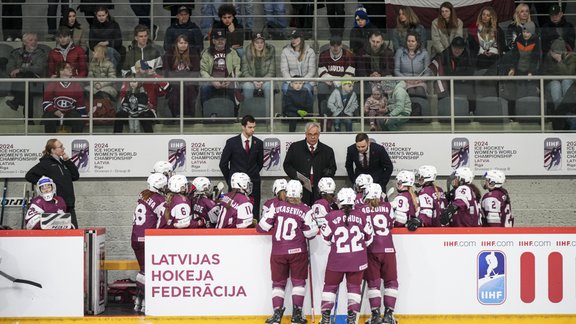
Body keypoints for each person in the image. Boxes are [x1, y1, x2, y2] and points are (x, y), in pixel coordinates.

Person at [257, 180, 318, 324]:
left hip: (278, 252)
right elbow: (310, 234)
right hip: (298, 251)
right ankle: (297, 316)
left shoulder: (276, 206)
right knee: (298, 283)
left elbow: (262, 227)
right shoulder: (305, 209)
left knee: (278, 284)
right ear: (301, 194)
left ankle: (277, 315)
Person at [318, 187, 374, 324]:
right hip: (358, 259)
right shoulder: (362, 215)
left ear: (340, 201)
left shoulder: (331, 216)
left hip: (337, 260)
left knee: (330, 287)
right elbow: (369, 239)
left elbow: (325, 239)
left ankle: (325, 318)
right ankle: (352, 319)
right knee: (354, 288)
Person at [358, 183, 398, 324]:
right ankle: (388, 315)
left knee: (373, 283)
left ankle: (375, 316)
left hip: (371, 249)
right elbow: (391, 224)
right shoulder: (387, 207)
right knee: (391, 282)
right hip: (388, 249)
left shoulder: (360, 209)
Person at [131, 173, 167, 313]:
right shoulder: (159, 199)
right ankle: (146, 300)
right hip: (147, 238)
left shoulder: (142, 194)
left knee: (143, 269)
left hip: (135, 236)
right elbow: (163, 220)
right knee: (148, 271)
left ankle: (138, 300)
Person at [26, 138, 80, 229]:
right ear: (53, 150)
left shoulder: (63, 162)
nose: (63, 148)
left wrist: (67, 161)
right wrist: (45, 184)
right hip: (56, 205)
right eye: (60, 147)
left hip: (69, 204)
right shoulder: (46, 163)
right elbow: (29, 176)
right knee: (58, 235)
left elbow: (75, 176)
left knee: (74, 232)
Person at [219, 115, 264, 220]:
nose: (253, 130)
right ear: (243, 127)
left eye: (254, 127)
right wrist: (231, 180)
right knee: (235, 212)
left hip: (254, 184)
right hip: (236, 186)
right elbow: (223, 164)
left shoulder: (259, 143)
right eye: (250, 127)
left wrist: (253, 174)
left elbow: (260, 163)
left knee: (254, 212)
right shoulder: (231, 143)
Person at [283, 122, 337, 206]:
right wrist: (297, 176)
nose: (312, 137)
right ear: (305, 134)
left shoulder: (327, 150)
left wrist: (327, 173)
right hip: (300, 190)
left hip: (320, 192)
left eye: (315, 134)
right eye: (310, 134)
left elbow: (333, 168)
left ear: (319, 134)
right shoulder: (295, 147)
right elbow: (287, 165)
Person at [115, 62, 170, 133]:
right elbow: (122, 97)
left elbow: (167, 86)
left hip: (147, 110)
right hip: (130, 110)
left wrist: (155, 75)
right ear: (136, 69)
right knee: (119, 115)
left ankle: (149, 139)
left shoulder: (152, 80)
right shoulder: (129, 80)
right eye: (143, 69)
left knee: (144, 115)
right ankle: (115, 138)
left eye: (146, 69)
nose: (145, 71)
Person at [5, 32, 48, 120]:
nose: (34, 42)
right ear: (24, 42)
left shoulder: (41, 53)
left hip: (36, 83)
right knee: (27, 88)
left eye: (36, 40)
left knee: (29, 78)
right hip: (18, 83)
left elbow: (39, 69)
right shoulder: (15, 53)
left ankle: (16, 102)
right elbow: (9, 68)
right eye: (31, 40)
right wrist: (13, 71)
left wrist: (21, 70)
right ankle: (29, 120)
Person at [317, 35, 356, 130]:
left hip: (343, 83)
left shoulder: (348, 55)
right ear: (329, 45)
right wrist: (334, 79)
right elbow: (322, 72)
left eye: (337, 45)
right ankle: (324, 116)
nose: (335, 47)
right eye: (333, 45)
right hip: (329, 83)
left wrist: (338, 81)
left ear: (341, 45)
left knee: (348, 88)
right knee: (321, 87)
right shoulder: (324, 54)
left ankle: (346, 114)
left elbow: (350, 73)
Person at [199, 29, 241, 110]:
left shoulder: (232, 52)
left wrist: (230, 80)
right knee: (204, 88)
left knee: (234, 88)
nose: (220, 41)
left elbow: (237, 68)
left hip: (228, 81)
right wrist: (212, 80)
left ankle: (234, 116)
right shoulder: (207, 53)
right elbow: (203, 70)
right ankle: (206, 115)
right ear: (213, 41)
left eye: (222, 39)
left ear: (225, 40)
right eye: (218, 40)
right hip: (212, 82)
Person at [41, 61, 87, 133]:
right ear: (61, 71)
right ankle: (50, 141)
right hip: (55, 113)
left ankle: (76, 141)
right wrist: (55, 111)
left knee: (78, 120)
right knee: (49, 118)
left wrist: (84, 119)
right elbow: (46, 102)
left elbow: (80, 105)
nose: (71, 69)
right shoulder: (52, 84)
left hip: (70, 113)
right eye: (67, 68)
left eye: (71, 68)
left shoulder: (76, 85)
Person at [163, 34, 201, 119]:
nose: (183, 45)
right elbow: (166, 70)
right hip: (174, 82)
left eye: (185, 43)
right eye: (181, 43)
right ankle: (175, 115)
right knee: (176, 88)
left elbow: (195, 70)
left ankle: (190, 115)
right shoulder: (169, 53)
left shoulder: (193, 53)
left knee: (189, 88)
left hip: (189, 81)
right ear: (176, 44)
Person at [467, 6, 506, 74]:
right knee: (483, 59)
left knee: (494, 61)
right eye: (483, 14)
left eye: (488, 15)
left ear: (491, 17)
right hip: (479, 57)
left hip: (494, 56)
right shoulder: (474, 29)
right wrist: (482, 52)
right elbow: (472, 47)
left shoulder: (498, 30)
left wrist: (492, 51)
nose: (485, 17)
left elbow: (502, 47)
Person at [280, 29, 316, 100]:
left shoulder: (310, 51)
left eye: (295, 38)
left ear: (301, 38)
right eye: (291, 38)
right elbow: (284, 70)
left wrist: (302, 82)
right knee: (286, 89)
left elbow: (312, 71)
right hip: (290, 81)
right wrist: (292, 82)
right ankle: (288, 111)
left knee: (307, 89)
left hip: (306, 81)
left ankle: (308, 110)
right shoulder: (285, 51)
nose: (293, 40)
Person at [241, 32, 276, 103]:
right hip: (251, 80)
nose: (260, 45)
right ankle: (249, 111)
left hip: (266, 80)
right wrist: (253, 81)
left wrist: (262, 81)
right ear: (253, 43)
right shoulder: (247, 52)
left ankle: (269, 112)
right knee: (247, 86)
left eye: (261, 42)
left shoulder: (270, 52)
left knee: (269, 86)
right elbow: (244, 71)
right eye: (257, 42)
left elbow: (272, 71)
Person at [541, 39, 576, 109]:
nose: (556, 55)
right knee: (555, 84)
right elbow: (544, 74)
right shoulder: (548, 58)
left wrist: (560, 61)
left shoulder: (572, 58)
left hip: (567, 82)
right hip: (552, 83)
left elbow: (569, 75)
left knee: (566, 81)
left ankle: (569, 109)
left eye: (558, 53)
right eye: (554, 52)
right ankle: (560, 111)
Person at [394, 31, 431, 98]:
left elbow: (427, 72)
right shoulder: (399, 52)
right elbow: (396, 71)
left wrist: (420, 80)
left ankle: (422, 108)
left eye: (413, 41)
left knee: (420, 90)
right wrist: (406, 79)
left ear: (417, 42)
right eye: (408, 41)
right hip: (404, 81)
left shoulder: (424, 53)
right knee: (411, 91)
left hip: (419, 81)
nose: (410, 43)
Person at [412, 165, 447, 229]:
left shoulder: (425, 191)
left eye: (420, 176)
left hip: (432, 229)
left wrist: (420, 221)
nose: (419, 178)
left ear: (425, 177)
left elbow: (426, 212)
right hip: (443, 227)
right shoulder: (439, 189)